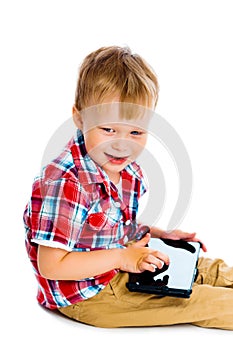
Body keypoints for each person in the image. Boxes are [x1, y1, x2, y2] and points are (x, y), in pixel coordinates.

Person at [24, 46, 233, 330]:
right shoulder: (64, 182)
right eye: (108, 130)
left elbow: (112, 228)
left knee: (209, 269)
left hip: (119, 262)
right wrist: (124, 257)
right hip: (89, 295)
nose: (122, 144)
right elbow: (52, 265)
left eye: (136, 132)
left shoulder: (122, 167)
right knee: (206, 302)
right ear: (80, 117)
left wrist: (157, 234)